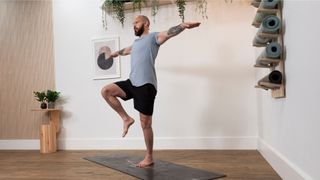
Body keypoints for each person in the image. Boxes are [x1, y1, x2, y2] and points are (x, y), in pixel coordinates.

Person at [101, 15, 200, 168]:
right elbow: (126, 50)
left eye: (137, 22)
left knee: (145, 123)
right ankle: (126, 119)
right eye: (133, 23)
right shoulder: (136, 43)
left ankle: (149, 157)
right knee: (106, 91)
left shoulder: (154, 37)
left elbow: (169, 33)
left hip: (146, 85)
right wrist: (115, 53)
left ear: (146, 23)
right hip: (132, 82)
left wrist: (183, 25)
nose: (134, 25)